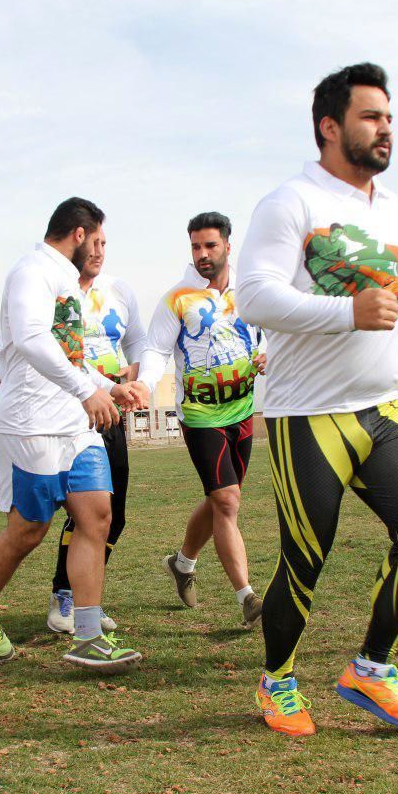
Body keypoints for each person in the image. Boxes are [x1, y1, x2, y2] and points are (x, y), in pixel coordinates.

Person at [235, 63, 398, 736]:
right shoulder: (290, 201)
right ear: (331, 127)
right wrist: (346, 313)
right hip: (308, 412)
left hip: (384, 405)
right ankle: (278, 681)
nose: (385, 128)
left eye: (389, 116)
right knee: (306, 557)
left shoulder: (394, 211)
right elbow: (254, 296)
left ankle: (372, 667)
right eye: (370, 116)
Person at [0, 197, 145, 673]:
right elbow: (31, 337)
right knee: (29, 531)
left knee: (96, 516)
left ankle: (86, 636)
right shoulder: (32, 272)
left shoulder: (69, 284)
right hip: (29, 422)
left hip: (72, 424)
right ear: (79, 234)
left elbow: (71, 356)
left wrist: (110, 388)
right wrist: (87, 390)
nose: (100, 251)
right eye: (97, 239)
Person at [137, 211, 266, 631]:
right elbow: (156, 350)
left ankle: (182, 563)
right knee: (227, 500)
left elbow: (277, 329)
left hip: (244, 411)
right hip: (200, 414)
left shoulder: (251, 288)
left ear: (229, 245)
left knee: (219, 500)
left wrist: (272, 353)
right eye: (195, 246)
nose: (202, 254)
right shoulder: (178, 298)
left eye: (210, 245)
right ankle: (248, 598)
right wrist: (143, 383)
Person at [46, 241, 146, 634]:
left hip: (111, 413)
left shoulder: (119, 291)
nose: (99, 250)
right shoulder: (57, 290)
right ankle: (64, 595)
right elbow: (56, 350)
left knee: (113, 515)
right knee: (82, 512)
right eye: (91, 242)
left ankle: (88, 599)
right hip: (70, 411)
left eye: (105, 242)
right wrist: (100, 386)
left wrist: (132, 374)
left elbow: (137, 338)